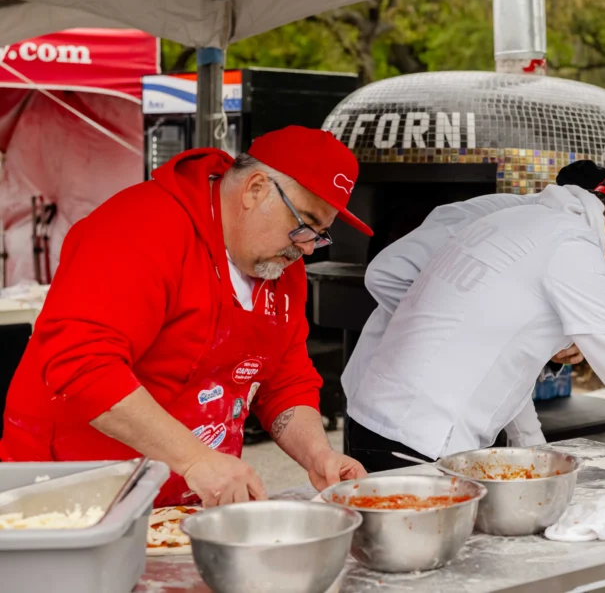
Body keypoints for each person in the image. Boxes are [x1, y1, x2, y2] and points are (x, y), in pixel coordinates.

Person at [0, 126, 371, 506]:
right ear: (255, 188)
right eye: (304, 224)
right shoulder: (140, 227)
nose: (307, 248)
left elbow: (284, 380)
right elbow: (82, 363)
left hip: (185, 499)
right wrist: (194, 458)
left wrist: (318, 455)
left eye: (320, 234)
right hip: (68, 489)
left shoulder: (278, 267)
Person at [343, 174, 605, 471]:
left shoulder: (520, 219)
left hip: (380, 424)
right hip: (418, 436)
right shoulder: (573, 246)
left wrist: (534, 446)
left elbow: (504, 352)